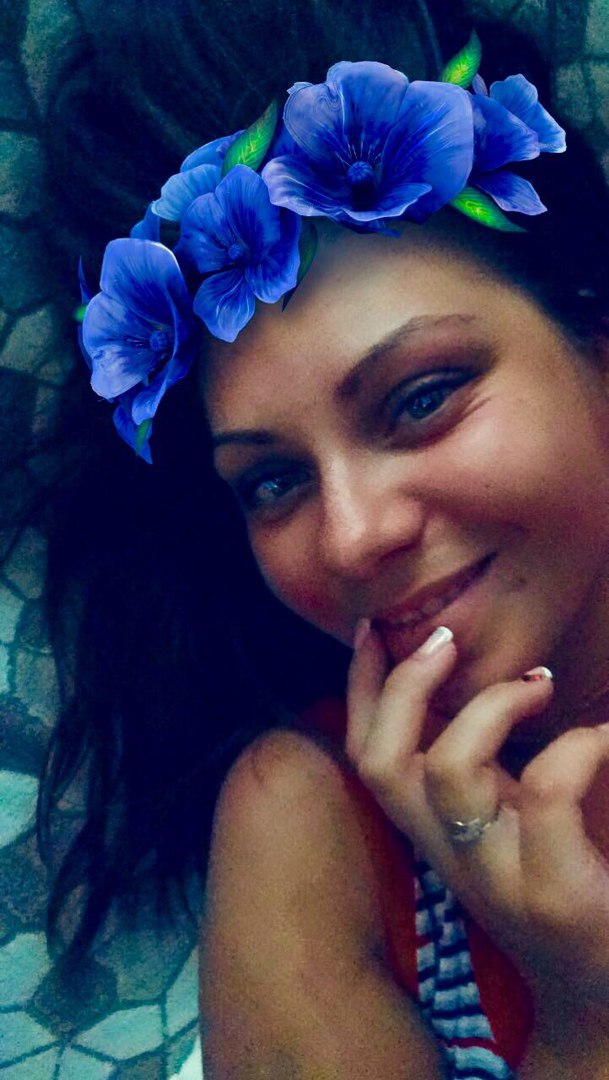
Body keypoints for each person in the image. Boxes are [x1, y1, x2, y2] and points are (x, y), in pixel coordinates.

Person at [35, 2, 609, 1077]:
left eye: (421, 397)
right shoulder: (308, 825)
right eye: (273, 481)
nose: (349, 540)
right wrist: (586, 1014)